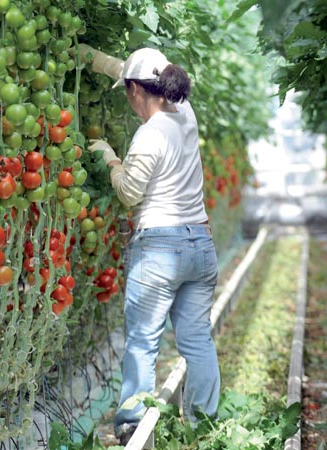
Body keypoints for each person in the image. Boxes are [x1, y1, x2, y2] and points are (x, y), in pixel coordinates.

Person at [80, 46, 221, 442]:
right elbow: (131, 70)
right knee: (196, 340)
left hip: (160, 247)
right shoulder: (185, 113)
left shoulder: (148, 135)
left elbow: (128, 193)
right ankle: (202, 427)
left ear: (138, 92)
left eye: (128, 93)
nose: (128, 102)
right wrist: (92, 58)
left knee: (143, 342)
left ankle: (132, 429)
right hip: (199, 245)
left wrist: (108, 156)